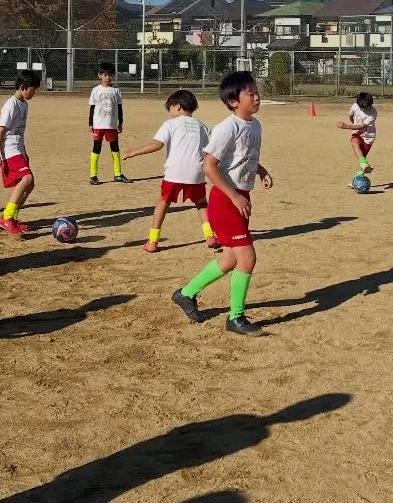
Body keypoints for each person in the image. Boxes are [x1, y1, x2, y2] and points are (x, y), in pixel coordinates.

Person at [171, 71, 273, 336]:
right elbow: (210, 166)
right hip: (226, 199)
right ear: (233, 102)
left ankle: (186, 293)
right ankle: (235, 318)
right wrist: (234, 195)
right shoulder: (228, 127)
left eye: (256, 91)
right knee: (247, 257)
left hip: (240, 197)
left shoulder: (255, 125)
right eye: (250, 93)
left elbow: (242, 158)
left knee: (229, 258)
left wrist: (260, 170)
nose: (256, 96)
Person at [125, 89, 219, 253]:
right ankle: (210, 236)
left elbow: (157, 144)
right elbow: (212, 149)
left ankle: (153, 241)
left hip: (174, 172)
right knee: (201, 204)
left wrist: (133, 152)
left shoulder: (170, 124)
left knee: (163, 203)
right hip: (196, 172)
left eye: (169, 108)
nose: (169, 113)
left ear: (177, 106)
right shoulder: (202, 126)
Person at [0, 70, 40, 236]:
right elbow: (0, 132)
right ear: (23, 87)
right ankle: (6, 217)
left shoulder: (24, 104)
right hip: (9, 150)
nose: (34, 93)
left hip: (18, 150)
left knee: (31, 183)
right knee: (26, 178)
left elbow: (19, 132)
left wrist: (25, 152)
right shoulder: (10, 105)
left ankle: (12, 217)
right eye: (32, 90)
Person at [88, 62, 128, 184]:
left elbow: (120, 108)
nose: (108, 78)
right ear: (99, 75)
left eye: (110, 75)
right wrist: (90, 124)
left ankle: (118, 174)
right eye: (105, 75)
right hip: (99, 125)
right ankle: (93, 175)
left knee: (115, 148)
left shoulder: (116, 91)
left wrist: (120, 122)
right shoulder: (95, 90)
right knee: (96, 148)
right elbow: (92, 108)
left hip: (111, 125)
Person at [336, 91, 378, 178]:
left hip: (368, 136)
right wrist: (352, 121)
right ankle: (363, 165)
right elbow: (351, 115)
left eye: (367, 108)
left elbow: (361, 126)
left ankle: (358, 178)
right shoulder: (354, 106)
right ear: (358, 104)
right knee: (354, 141)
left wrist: (345, 126)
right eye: (362, 108)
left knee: (362, 156)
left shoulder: (373, 113)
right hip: (358, 133)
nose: (365, 110)